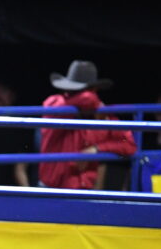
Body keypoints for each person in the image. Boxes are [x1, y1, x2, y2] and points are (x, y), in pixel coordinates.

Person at [38, 60, 136, 190]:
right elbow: (88, 99)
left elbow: (129, 145)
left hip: (85, 190)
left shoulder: (102, 115)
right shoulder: (56, 103)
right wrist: (94, 102)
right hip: (53, 189)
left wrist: (97, 148)